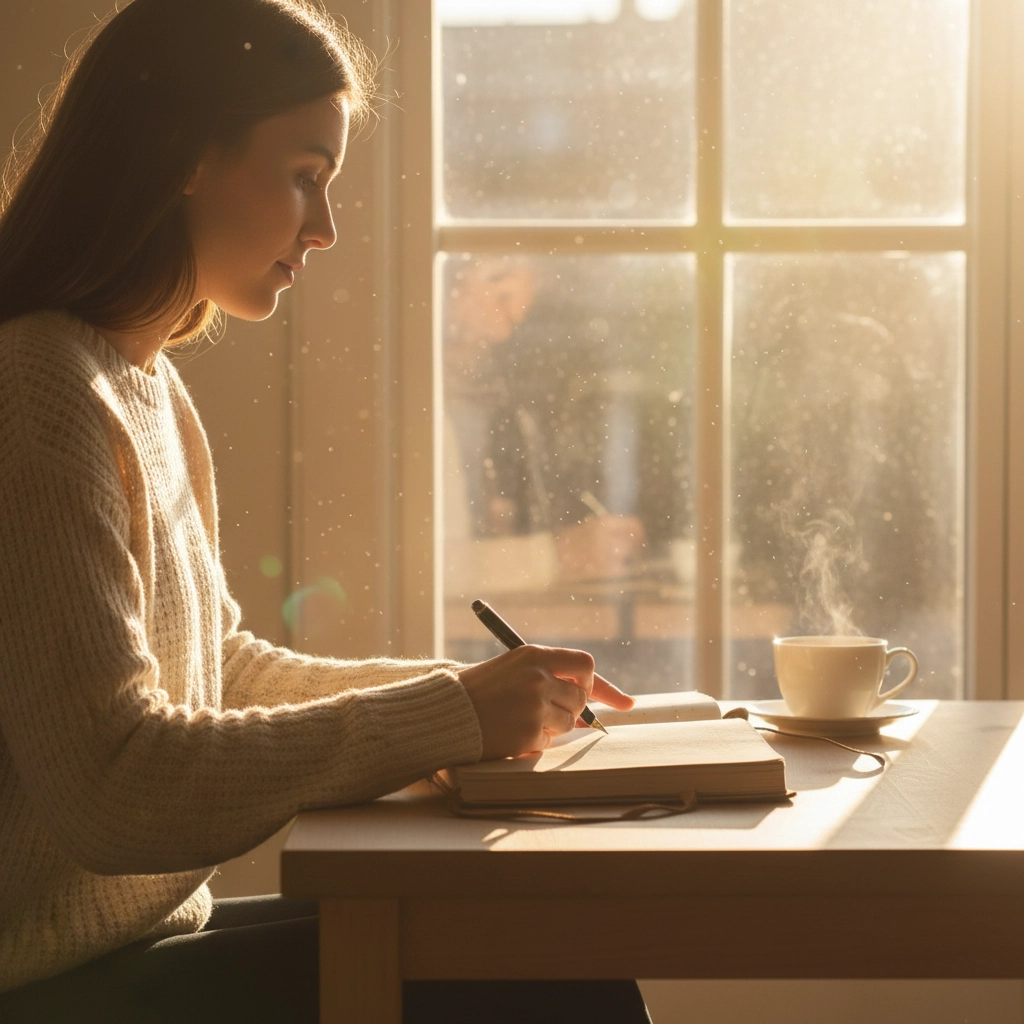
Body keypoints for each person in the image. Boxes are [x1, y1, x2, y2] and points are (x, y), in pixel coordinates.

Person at [0, 1, 650, 1021]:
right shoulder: (39, 391)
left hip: (136, 947)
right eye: (305, 175)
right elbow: (112, 786)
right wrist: (450, 716)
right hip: (52, 985)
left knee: (540, 936)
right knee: (553, 971)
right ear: (187, 155)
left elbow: (221, 673)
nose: (326, 227)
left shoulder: (142, 383)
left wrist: (468, 697)